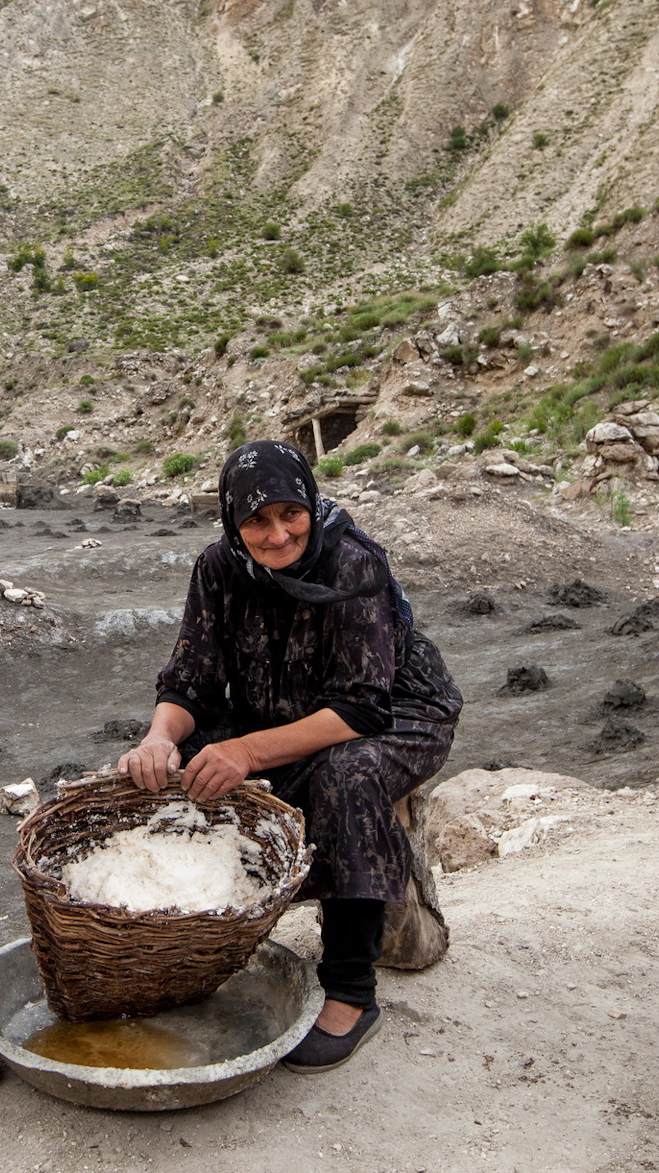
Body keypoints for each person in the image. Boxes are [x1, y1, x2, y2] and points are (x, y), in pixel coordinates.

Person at [118, 440, 461, 1073]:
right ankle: (195, 945)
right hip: (278, 706)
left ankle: (352, 989)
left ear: (309, 502)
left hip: (394, 711)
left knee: (347, 775)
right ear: (232, 522)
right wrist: (159, 738)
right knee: (177, 767)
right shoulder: (219, 568)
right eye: (256, 520)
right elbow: (189, 680)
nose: (277, 536)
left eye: (290, 514)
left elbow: (360, 708)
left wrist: (246, 751)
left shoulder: (352, 564)